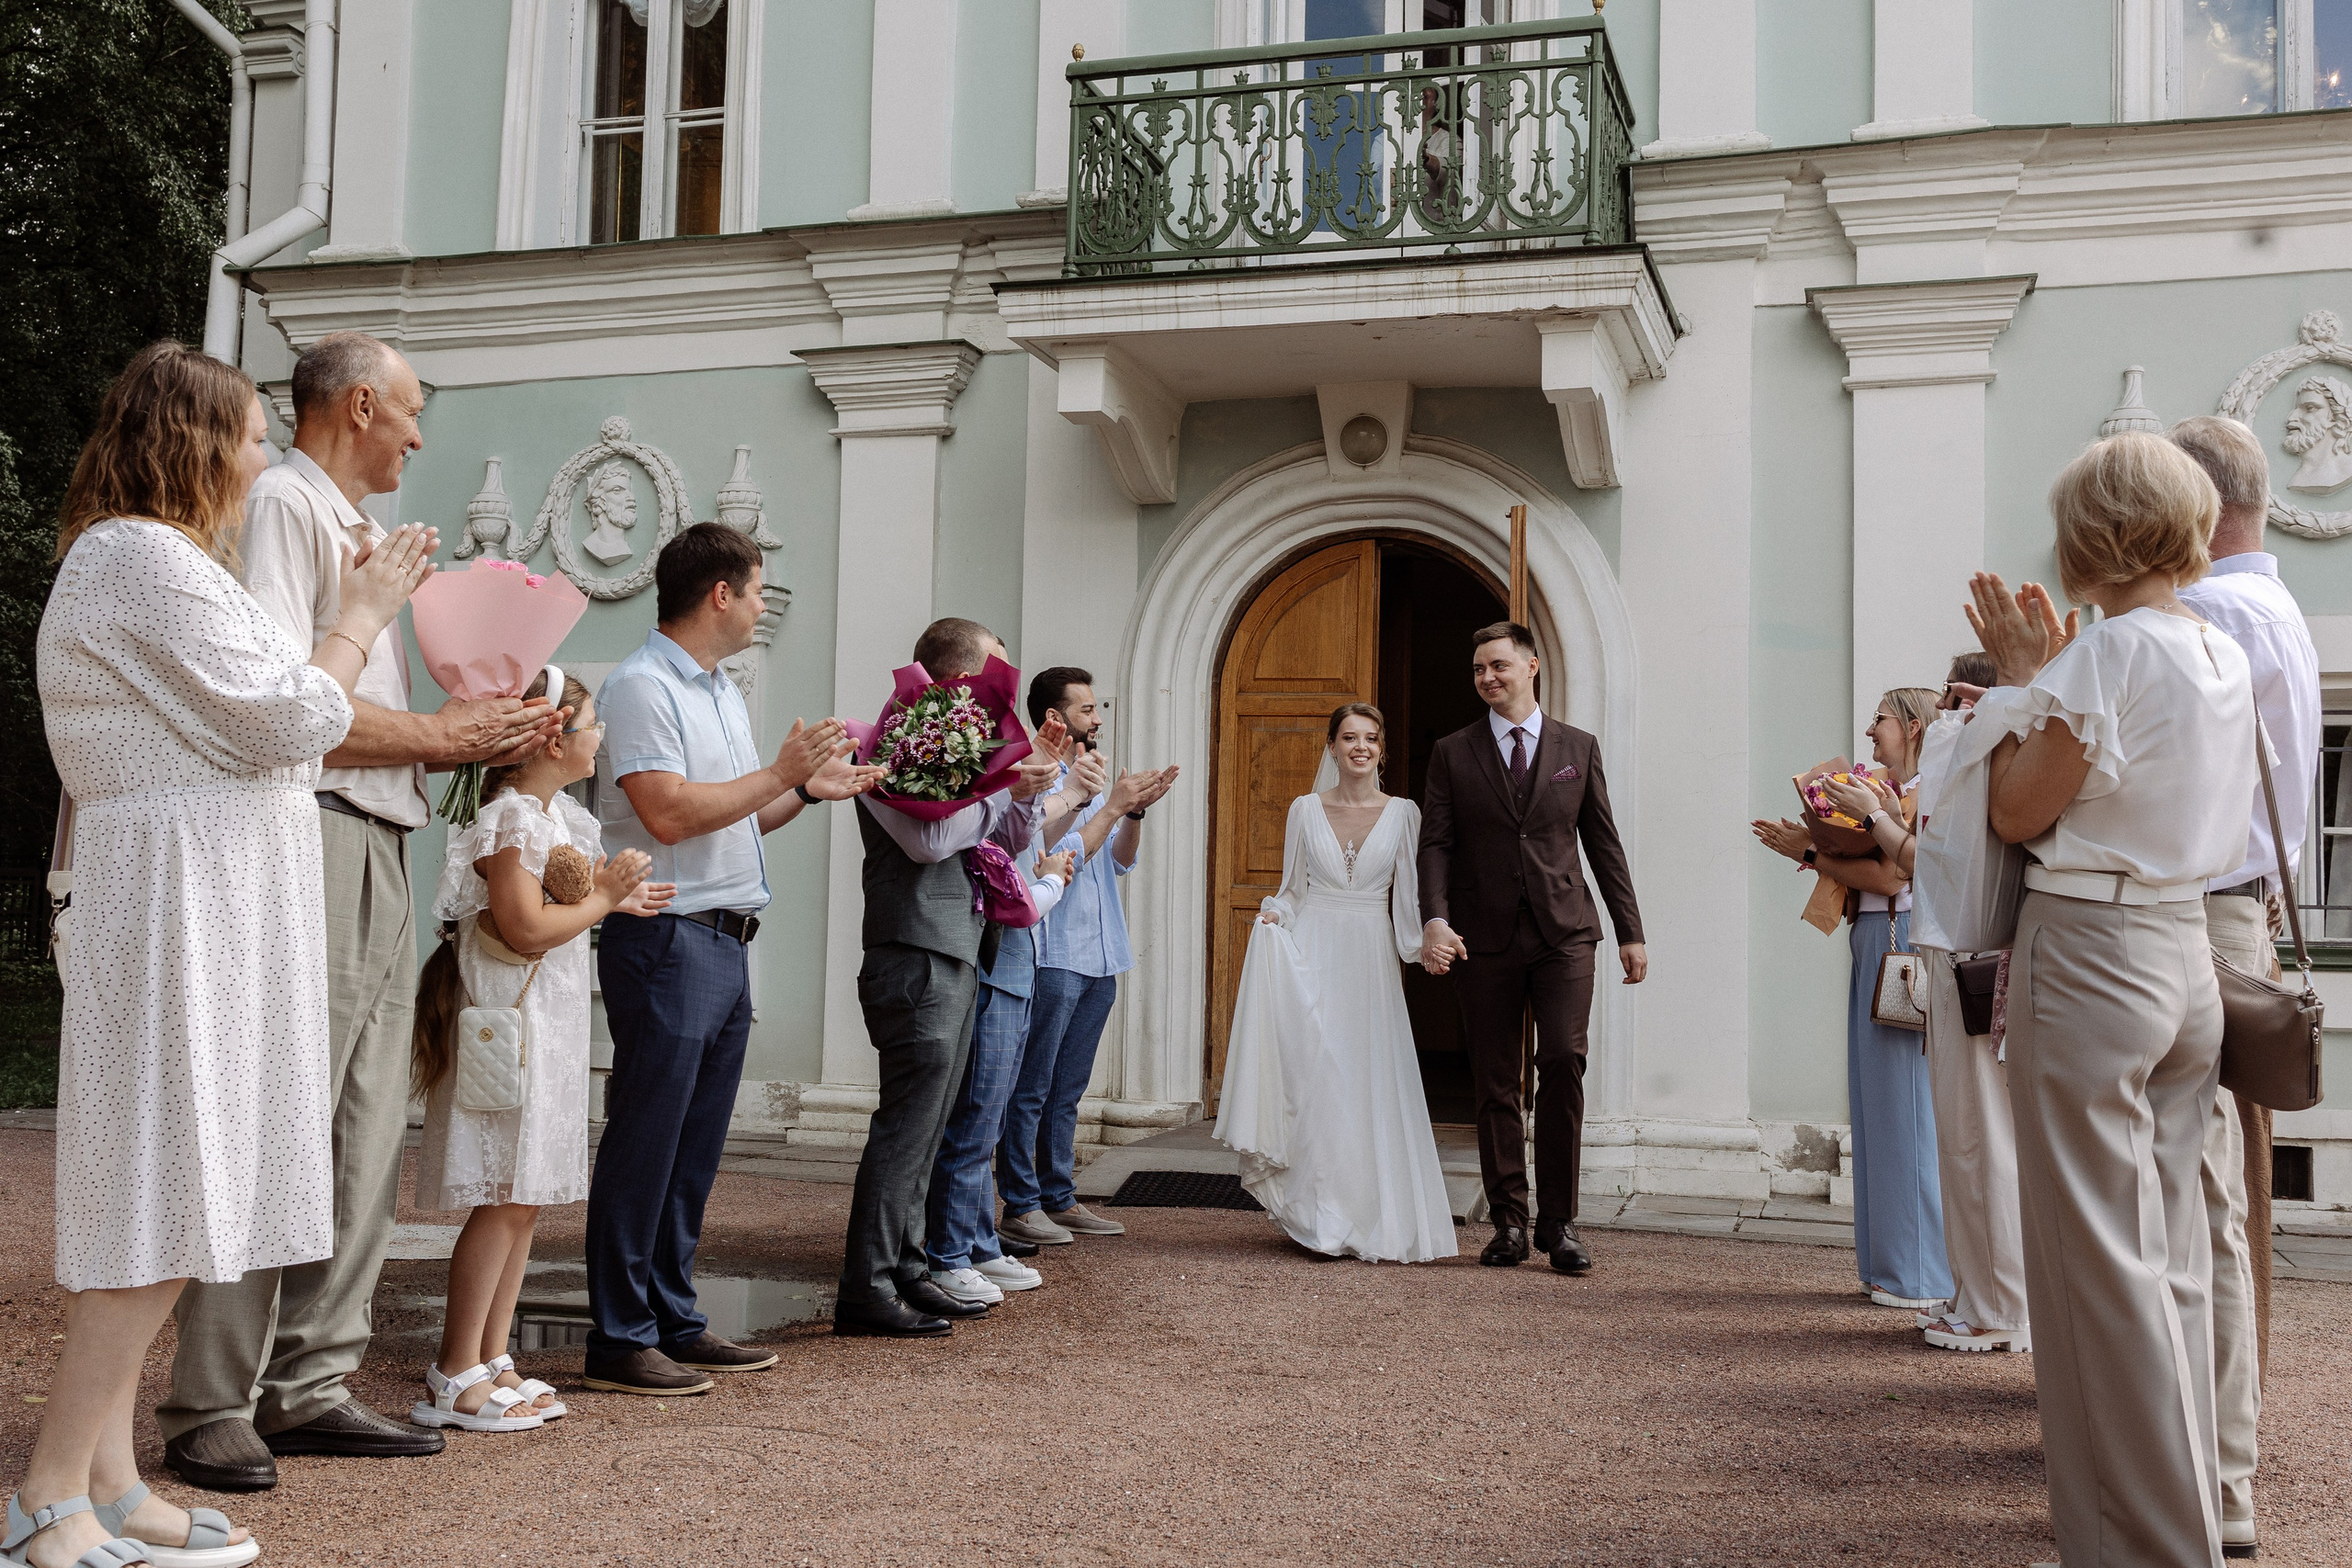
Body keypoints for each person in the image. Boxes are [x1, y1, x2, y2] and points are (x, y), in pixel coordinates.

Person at [26, 340, 431, 1566]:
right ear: (199, 440)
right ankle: (48, 1492)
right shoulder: (141, 557)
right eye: (250, 437)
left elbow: (278, 734)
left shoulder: (156, 561)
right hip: (174, 905)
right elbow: (298, 714)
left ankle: (106, 1480)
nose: (260, 458)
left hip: (199, 894)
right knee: (161, 1201)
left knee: (171, 1197)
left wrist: (332, 651)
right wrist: (360, 616)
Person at [160, 331, 563, 1495]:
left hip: (382, 830)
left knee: (366, 1122)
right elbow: (293, 700)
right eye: (411, 412)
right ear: (358, 404)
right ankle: (212, 1402)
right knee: (287, 1106)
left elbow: (364, 711)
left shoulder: (348, 530)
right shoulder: (287, 504)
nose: (421, 436)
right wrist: (444, 736)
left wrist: (471, 735)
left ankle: (312, 1379)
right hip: (319, 830)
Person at [1971, 432, 2256, 1568]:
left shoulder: (2107, 654)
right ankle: (2179, 1518)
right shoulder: (2216, 647)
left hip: (2095, 947)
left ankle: (2140, 1548)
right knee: (2172, 1259)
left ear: (2090, 535)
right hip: (2186, 953)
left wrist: (2017, 679)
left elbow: (2013, 813)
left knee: (2096, 1268)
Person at [586, 523, 880, 1393]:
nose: (762, 604)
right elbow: (670, 813)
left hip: (725, 941)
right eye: (757, 589)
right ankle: (619, 1333)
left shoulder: (717, 689)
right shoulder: (642, 685)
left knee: (695, 1147)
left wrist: (800, 787)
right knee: (647, 1140)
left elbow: (737, 814)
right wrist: (779, 771)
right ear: (720, 592)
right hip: (668, 938)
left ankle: (672, 1315)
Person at [410, 669, 674, 1431]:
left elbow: (573, 904)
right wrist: (601, 899)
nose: (602, 740)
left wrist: (616, 893)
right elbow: (524, 928)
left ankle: (494, 1356)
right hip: (508, 1029)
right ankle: (452, 1369)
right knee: (501, 1195)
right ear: (555, 736)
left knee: (522, 1200)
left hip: (547, 1028)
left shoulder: (561, 821)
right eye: (593, 725)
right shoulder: (514, 819)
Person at [2171, 412, 2318, 1561]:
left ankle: (2216, 1480)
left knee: (2206, 1198)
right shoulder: (2278, 604)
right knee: (2228, 1194)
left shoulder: (2214, 610)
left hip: (2204, 912)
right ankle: (2221, 1464)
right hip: (2248, 913)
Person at [838, 618, 1063, 1337]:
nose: (1008, 681)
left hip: (960, 946)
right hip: (913, 948)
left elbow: (1004, 839)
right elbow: (929, 838)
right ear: (960, 675)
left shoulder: (963, 751)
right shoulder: (881, 747)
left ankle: (907, 1269)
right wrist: (1000, 790)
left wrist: (1024, 791)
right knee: (905, 1125)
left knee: (933, 1125)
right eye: (998, 668)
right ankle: (867, 1285)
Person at [1419, 621, 1646, 1276]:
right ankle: (1510, 1222)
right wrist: (1435, 918)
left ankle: (1560, 1222)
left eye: (1498, 665)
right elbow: (1435, 842)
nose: (1488, 677)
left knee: (1564, 1063)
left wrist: (1630, 930)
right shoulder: (1453, 752)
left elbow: (1603, 842)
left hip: (1565, 933)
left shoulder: (1578, 747)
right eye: (1478, 669)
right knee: (1493, 1080)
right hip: (1482, 936)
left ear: (1531, 666)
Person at [1216, 704, 1457, 1262]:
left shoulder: (1404, 813)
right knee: (1317, 1078)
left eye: (1371, 738)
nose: (1360, 747)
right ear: (1330, 747)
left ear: (1381, 749)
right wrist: (1277, 913)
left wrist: (1423, 945)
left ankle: (1371, 1215)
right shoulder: (1304, 809)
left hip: (1370, 959)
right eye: (1349, 737)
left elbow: (1410, 898)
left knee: (1366, 1078)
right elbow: (1294, 887)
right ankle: (1318, 1214)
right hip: (1314, 953)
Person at [1756, 688, 1955, 1313]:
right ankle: (1885, 1262)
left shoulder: (1923, 789)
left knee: (1905, 1103)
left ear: (1914, 726)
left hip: (1902, 943)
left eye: (1881, 720)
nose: (1870, 731)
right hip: (1876, 937)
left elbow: (1895, 875)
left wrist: (1811, 852)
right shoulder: (1889, 790)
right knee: (1874, 1103)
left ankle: (1919, 1271)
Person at [996, 668, 1181, 1250]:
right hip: (1054, 951)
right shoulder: (1038, 776)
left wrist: (1135, 811)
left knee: (1069, 1086)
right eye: (1086, 709)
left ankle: (1059, 1196)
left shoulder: (1095, 778)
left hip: (1103, 952)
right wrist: (1103, 804)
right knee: (1033, 1085)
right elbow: (1052, 847)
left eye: (1097, 709)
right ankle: (1020, 1204)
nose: (1098, 718)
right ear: (1054, 719)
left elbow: (1118, 860)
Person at [1913, 652, 2031, 1354]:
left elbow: (1947, 856)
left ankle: (1992, 1301)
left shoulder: (1978, 749)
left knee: (1975, 1131)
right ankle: (1986, 1291)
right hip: (1990, 950)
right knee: (1986, 1133)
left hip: (1969, 952)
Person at [920, 840, 1077, 1306]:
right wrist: (1051, 877)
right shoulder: (990, 825)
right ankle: (949, 1255)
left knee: (988, 1127)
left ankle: (979, 1245)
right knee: (974, 1124)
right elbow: (1020, 907)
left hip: (1017, 976)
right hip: (994, 978)